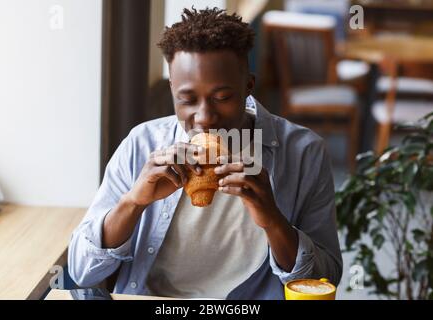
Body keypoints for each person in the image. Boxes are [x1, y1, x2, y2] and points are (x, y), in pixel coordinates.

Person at [68, 7, 342, 299]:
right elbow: (82, 271)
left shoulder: (303, 153)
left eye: (222, 98)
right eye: (187, 99)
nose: (205, 117)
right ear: (173, 89)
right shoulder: (142, 144)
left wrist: (273, 221)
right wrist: (134, 202)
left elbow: (326, 278)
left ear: (248, 86)